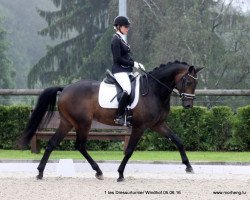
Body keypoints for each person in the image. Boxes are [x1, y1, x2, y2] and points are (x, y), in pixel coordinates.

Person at [111, 16, 145, 126]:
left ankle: (129, 114)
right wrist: (133, 64)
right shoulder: (115, 40)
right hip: (119, 71)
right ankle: (119, 116)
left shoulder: (121, 39)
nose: (127, 29)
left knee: (137, 87)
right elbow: (117, 59)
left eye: (128, 27)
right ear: (118, 27)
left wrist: (137, 64)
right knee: (127, 89)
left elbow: (126, 57)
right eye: (126, 27)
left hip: (126, 70)